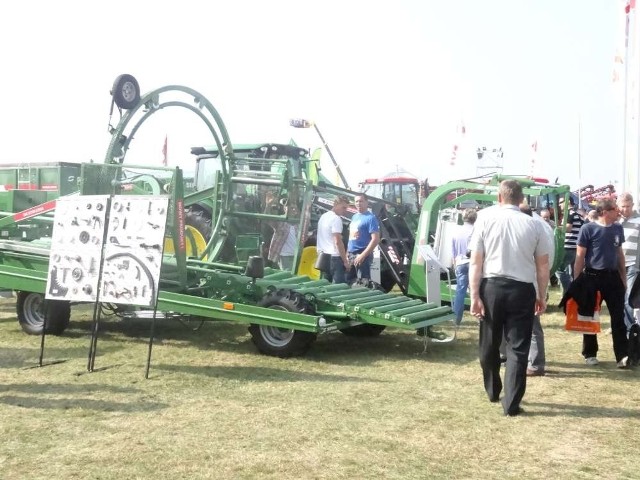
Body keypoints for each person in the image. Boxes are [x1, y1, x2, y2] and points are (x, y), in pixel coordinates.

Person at [469, 180, 550, 417]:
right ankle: (512, 402)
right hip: (522, 288)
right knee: (518, 347)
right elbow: (542, 266)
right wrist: (541, 294)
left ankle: (493, 389)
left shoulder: (485, 219)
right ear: (520, 199)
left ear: (499, 197)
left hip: (492, 286)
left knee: (489, 342)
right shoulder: (535, 224)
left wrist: (474, 295)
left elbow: (476, 261)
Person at [572, 198, 629, 368]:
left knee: (618, 318)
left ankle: (622, 355)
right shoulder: (587, 229)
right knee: (590, 317)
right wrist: (576, 282)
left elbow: (619, 254)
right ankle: (590, 353)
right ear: (604, 212)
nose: (618, 211)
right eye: (614, 209)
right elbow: (580, 256)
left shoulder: (618, 228)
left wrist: (623, 278)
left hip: (613, 278)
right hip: (591, 277)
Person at [519, 203, 555, 377]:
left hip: (525, 283)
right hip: (534, 284)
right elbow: (545, 264)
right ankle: (534, 362)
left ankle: (534, 363)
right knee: (533, 326)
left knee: (530, 327)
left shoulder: (527, 231)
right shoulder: (541, 228)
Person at [616, 192, 640, 332]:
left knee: (628, 298)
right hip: (616, 265)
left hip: (632, 265)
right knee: (619, 298)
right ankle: (623, 326)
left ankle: (630, 331)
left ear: (632, 205)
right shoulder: (615, 221)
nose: (625, 209)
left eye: (628, 206)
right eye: (623, 206)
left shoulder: (638, 221)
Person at [451, 208, 477, 325]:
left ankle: (456, 319)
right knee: (476, 291)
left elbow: (453, 252)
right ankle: (479, 318)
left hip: (460, 262)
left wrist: (454, 265)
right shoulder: (476, 231)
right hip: (473, 263)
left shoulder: (456, 231)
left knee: (460, 291)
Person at [316, 195, 350, 283]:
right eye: (343, 208)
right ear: (335, 204)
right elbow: (337, 242)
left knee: (324, 286)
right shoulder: (336, 219)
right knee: (338, 289)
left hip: (323, 257)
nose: (345, 211)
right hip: (334, 258)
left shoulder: (323, 216)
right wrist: (345, 261)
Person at [346, 194, 380, 283]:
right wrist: (347, 252)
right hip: (351, 255)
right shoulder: (354, 216)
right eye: (356, 201)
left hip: (363, 255)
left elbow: (375, 239)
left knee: (364, 282)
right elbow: (351, 237)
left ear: (366, 202)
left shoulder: (371, 218)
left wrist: (363, 255)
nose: (358, 203)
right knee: (349, 282)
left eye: (361, 201)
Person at [556, 198, 584, 295]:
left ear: (568, 202)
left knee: (558, 269)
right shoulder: (578, 215)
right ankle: (576, 294)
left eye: (561, 203)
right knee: (574, 274)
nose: (559, 205)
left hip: (569, 248)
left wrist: (554, 227)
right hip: (577, 247)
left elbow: (568, 228)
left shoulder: (569, 213)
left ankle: (569, 292)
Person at [266, 198, 299, 270]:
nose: (294, 210)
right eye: (291, 208)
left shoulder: (298, 222)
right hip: (285, 255)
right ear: (285, 209)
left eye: (295, 208)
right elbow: (267, 219)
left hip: (296, 255)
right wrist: (268, 205)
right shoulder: (280, 220)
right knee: (286, 274)